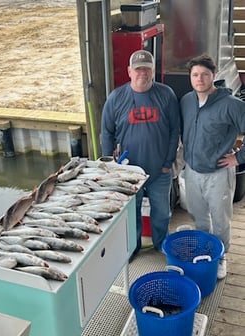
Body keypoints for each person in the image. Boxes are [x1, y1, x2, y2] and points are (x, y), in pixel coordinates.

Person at [101, 50, 180, 258]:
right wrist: (109, 166)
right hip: (129, 173)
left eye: (147, 69)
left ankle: (160, 244)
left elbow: (175, 130)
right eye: (138, 69)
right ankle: (132, 248)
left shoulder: (166, 94)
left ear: (153, 71)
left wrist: (168, 161)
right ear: (129, 71)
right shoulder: (116, 98)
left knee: (162, 213)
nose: (142, 73)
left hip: (159, 171)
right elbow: (106, 133)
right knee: (131, 215)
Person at [180, 53, 245, 279]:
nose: (200, 79)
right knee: (199, 216)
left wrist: (238, 158)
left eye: (204, 74)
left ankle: (221, 256)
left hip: (219, 174)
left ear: (214, 76)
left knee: (221, 220)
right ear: (190, 77)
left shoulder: (231, 105)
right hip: (192, 171)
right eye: (195, 75)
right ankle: (203, 250)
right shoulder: (187, 100)